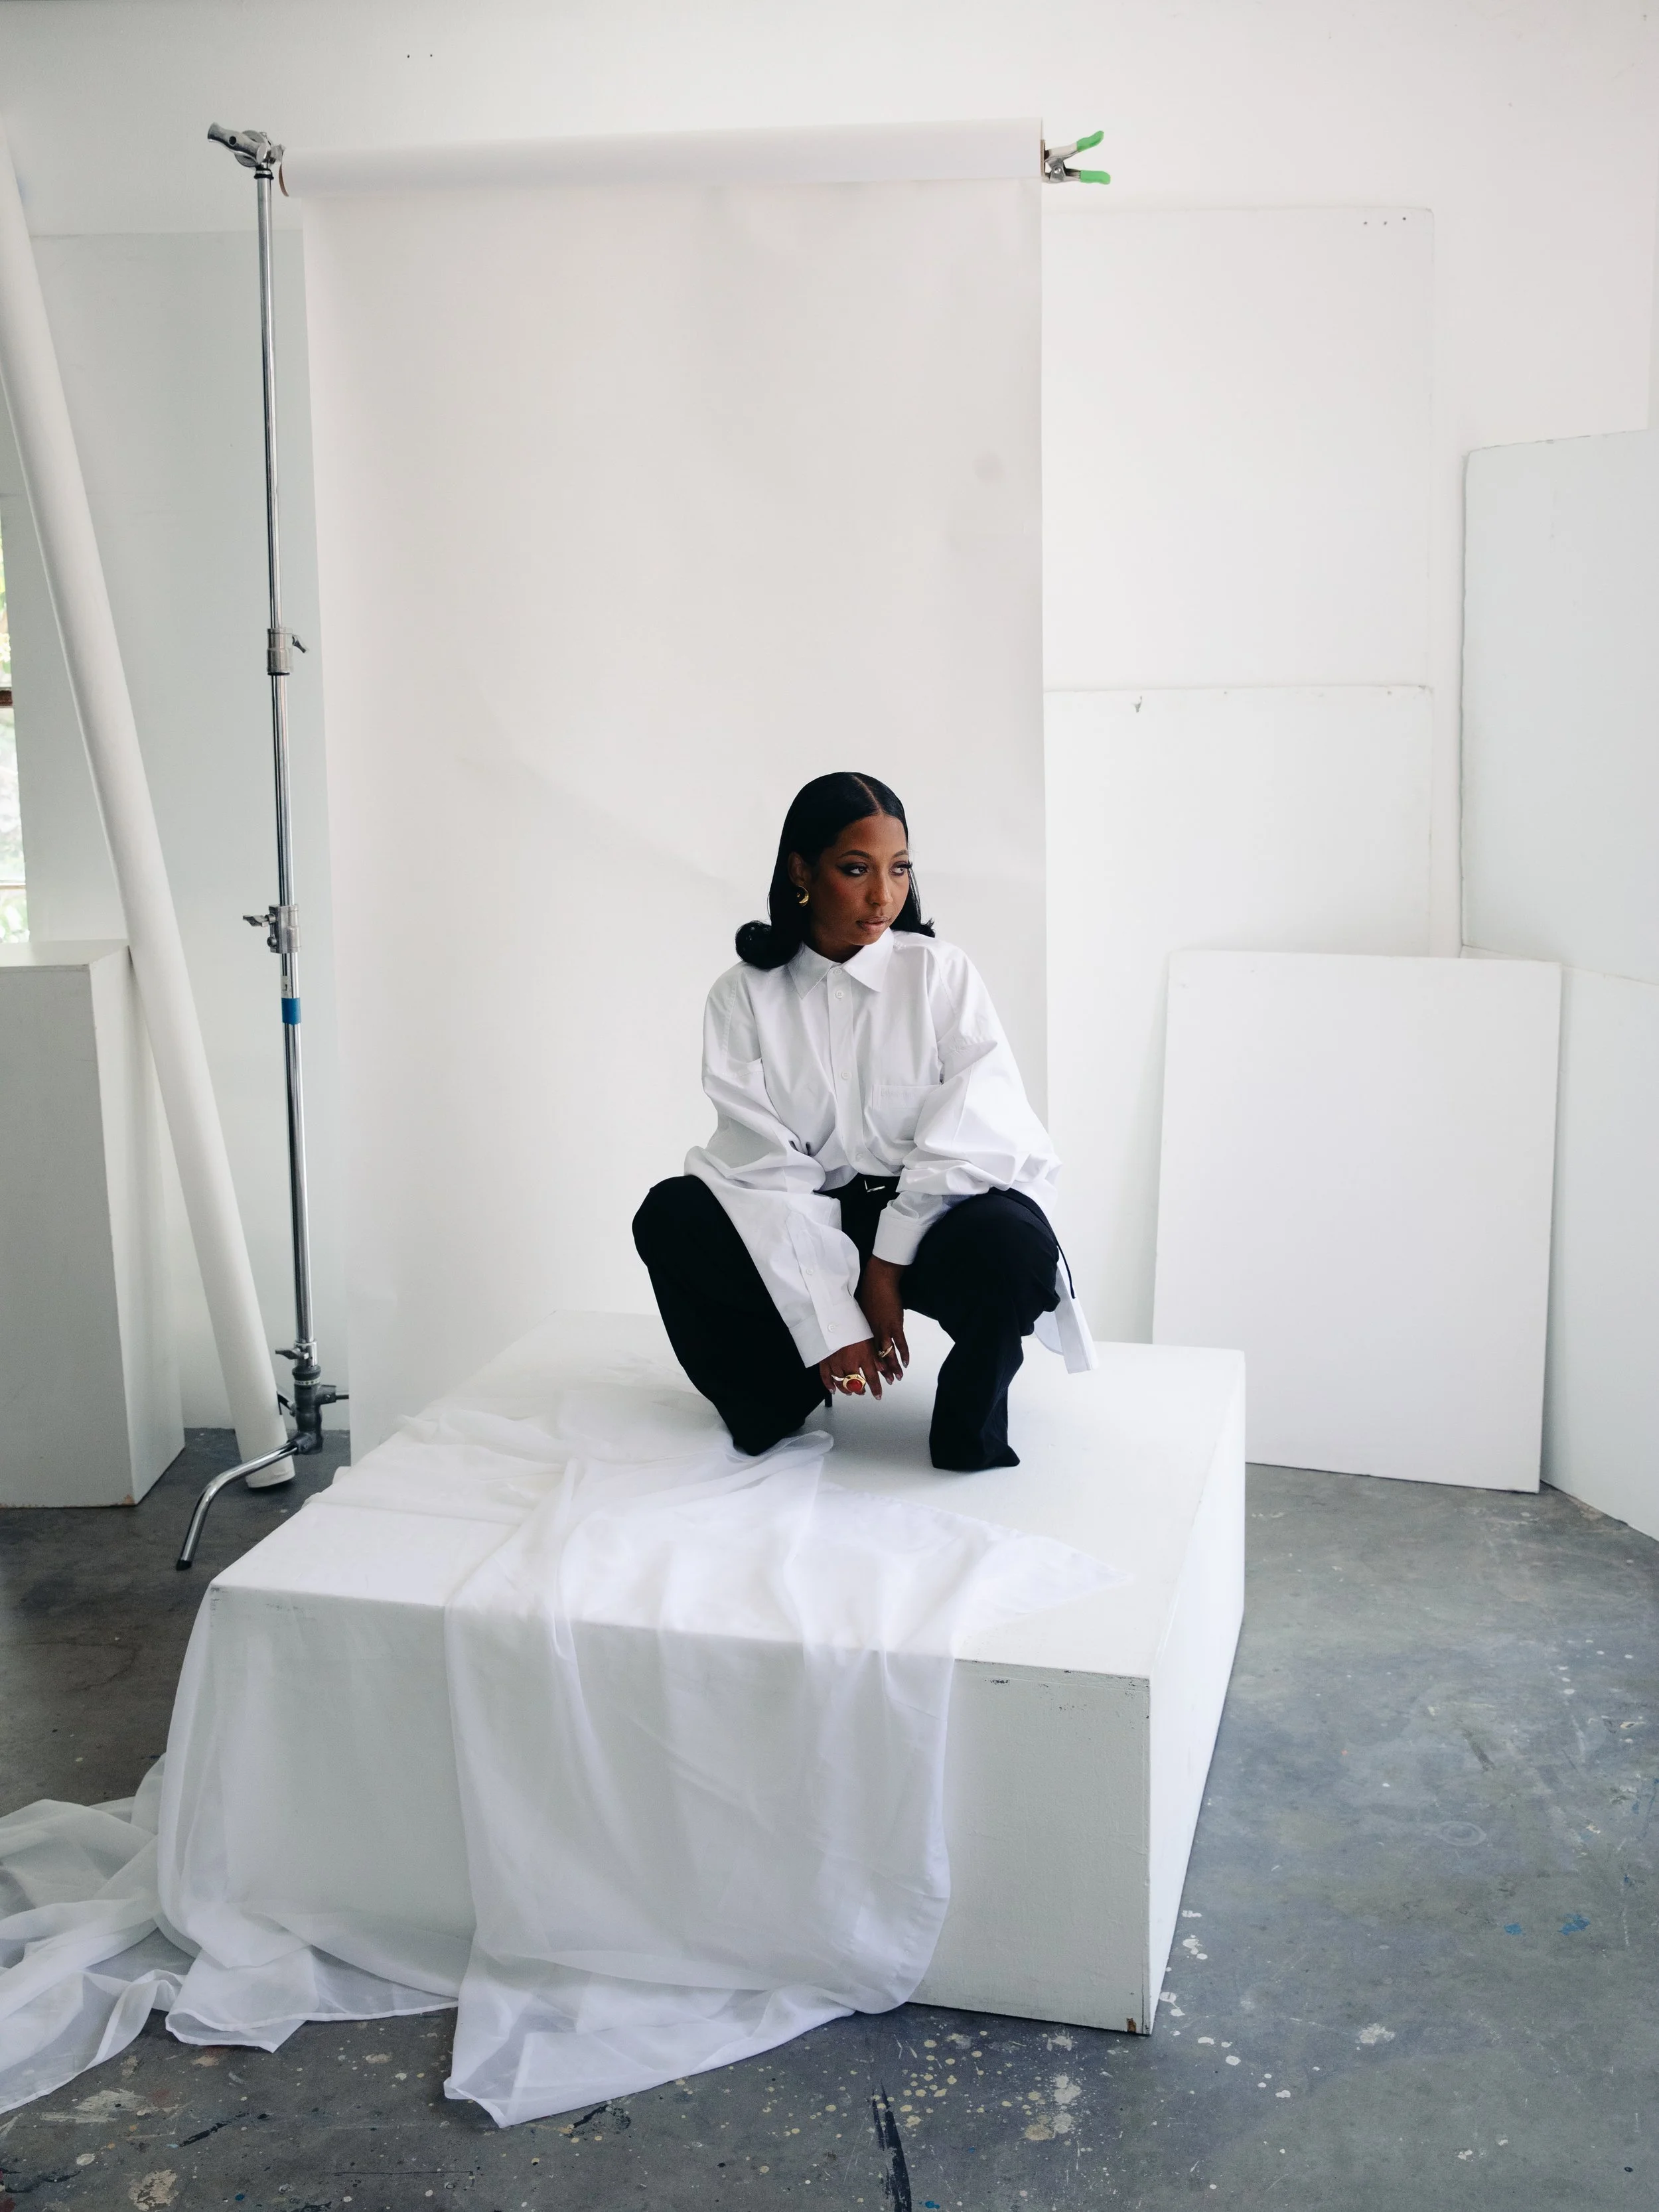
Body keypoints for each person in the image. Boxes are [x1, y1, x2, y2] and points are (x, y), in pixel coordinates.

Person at [632, 771, 1075, 1473]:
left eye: (899, 870)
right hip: (807, 1214)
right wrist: (830, 1324)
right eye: (855, 870)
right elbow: (765, 1167)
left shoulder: (939, 975)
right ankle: (776, 1395)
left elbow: (973, 1134)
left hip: (931, 1216)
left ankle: (968, 1433)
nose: (883, 896)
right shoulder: (743, 997)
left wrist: (884, 1270)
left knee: (1015, 1248)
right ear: (801, 871)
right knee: (672, 1213)